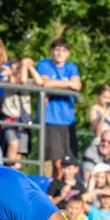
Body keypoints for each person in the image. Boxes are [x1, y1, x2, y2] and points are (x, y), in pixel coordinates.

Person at [34, 38, 82, 169]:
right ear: (51, 51)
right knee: (55, 162)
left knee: (68, 161)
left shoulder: (71, 67)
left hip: (68, 120)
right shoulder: (44, 64)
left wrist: (55, 85)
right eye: (57, 49)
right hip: (50, 118)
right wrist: (68, 84)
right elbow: (45, 83)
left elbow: (77, 85)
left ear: (68, 53)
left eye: (64, 50)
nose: (60, 53)